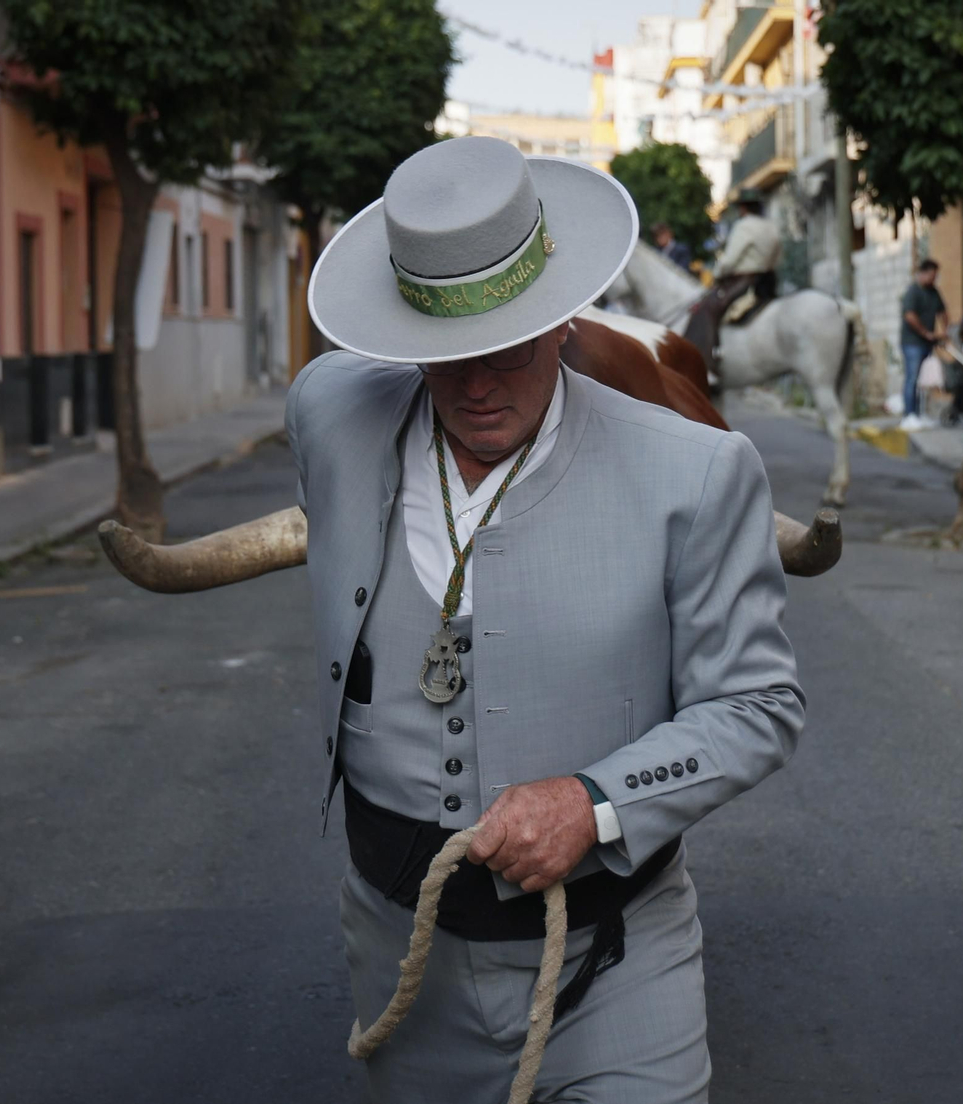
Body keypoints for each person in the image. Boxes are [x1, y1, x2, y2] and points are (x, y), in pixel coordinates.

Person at [290, 136, 805, 1103]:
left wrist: (595, 801)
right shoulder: (328, 415)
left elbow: (761, 703)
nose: (479, 382)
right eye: (446, 356)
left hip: (617, 964)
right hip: (402, 964)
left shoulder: (696, 472)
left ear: (562, 317)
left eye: (511, 343)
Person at [683, 187, 781, 368]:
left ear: (743, 208)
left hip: (744, 282)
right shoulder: (770, 226)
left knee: (708, 309)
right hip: (769, 280)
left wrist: (716, 274)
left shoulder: (744, 226)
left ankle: (711, 358)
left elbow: (729, 261)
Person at [900, 258, 948, 430]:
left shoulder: (934, 292)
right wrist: (926, 333)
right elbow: (910, 316)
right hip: (912, 343)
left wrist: (944, 331)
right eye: (932, 276)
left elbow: (943, 312)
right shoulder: (913, 292)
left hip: (928, 343)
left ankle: (919, 414)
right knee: (912, 378)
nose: (934, 279)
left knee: (922, 380)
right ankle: (909, 415)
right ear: (923, 273)